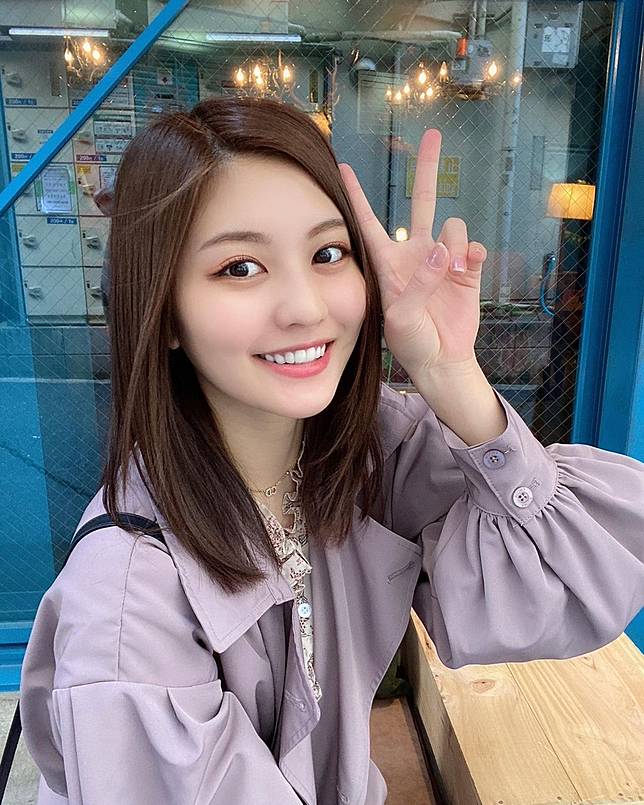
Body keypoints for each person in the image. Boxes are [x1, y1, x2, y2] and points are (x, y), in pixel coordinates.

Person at [18, 96, 644, 805]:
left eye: (326, 254)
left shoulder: (364, 450)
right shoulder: (128, 606)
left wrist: (452, 375)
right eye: (239, 268)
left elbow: (577, 579)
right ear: (162, 313)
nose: (306, 307)